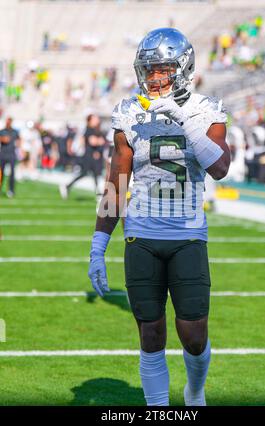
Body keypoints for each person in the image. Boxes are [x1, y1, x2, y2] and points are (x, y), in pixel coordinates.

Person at [88, 28, 230, 406]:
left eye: (163, 69)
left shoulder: (206, 108)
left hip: (187, 235)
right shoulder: (129, 111)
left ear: (183, 68)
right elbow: (116, 181)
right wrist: (98, 246)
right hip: (142, 235)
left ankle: (195, 392)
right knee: (151, 335)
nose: (154, 78)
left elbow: (220, 167)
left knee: (194, 336)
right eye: (149, 70)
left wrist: (184, 120)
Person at [60, 114, 106, 198]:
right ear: (90, 120)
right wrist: (100, 141)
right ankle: (67, 186)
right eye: (95, 118)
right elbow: (93, 141)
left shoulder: (96, 129)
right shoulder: (89, 129)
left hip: (93, 156)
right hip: (88, 156)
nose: (97, 120)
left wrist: (99, 141)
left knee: (95, 175)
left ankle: (98, 194)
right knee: (84, 173)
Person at [0, 117, 21, 197]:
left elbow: (19, 140)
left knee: (12, 174)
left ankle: (11, 190)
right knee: (1, 173)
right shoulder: (2, 131)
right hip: (2, 154)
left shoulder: (15, 132)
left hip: (12, 154)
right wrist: (2, 139)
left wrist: (19, 145)